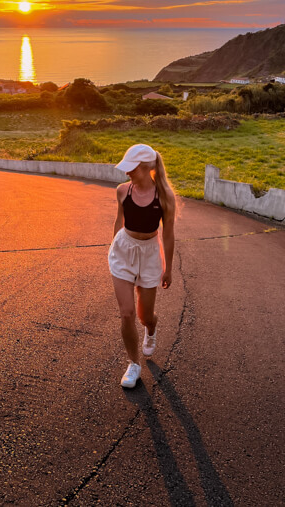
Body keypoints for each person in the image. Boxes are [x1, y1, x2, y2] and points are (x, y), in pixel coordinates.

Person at [108, 144, 176, 388]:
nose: (127, 173)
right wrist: (114, 249)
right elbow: (119, 221)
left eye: (132, 169)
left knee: (144, 315)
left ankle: (152, 326)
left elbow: (168, 235)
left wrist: (168, 268)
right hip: (123, 251)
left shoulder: (165, 196)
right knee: (126, 313)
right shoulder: (122, 191)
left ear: (148, 167)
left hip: (149, 255)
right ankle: (134, 364)